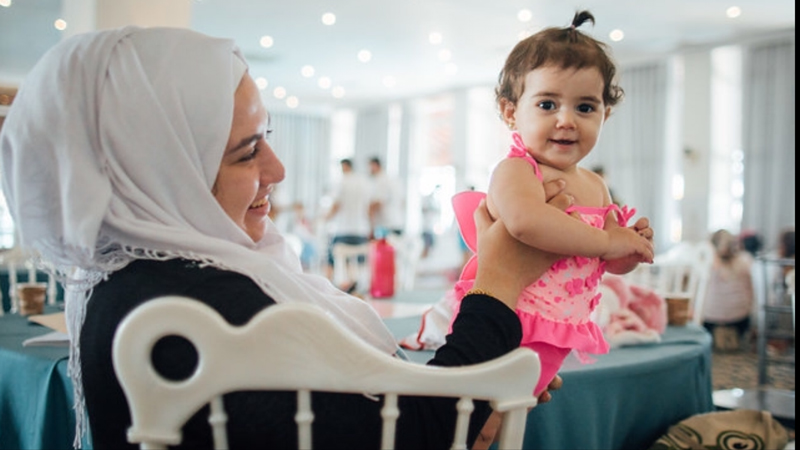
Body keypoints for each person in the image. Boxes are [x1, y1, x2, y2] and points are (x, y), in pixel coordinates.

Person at [0, 26, 565, 450]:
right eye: (246, 151)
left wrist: (474, 396)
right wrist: (498, 281)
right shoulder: (198, 309)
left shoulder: (133, 280)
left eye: (264, 136)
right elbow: (409, 436)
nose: (278, 170)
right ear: (157, 168)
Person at [449, 10, 654, 396]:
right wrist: (609, 242)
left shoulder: (596, 185)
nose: (566, 120)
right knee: (480, 414)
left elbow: (604, 261)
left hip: (559, 326)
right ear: (511, 113)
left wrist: (629, 249)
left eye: (585, 107)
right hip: (507, 315)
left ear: (605, 115)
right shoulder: (517, 172)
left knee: (514, 409)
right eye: (547, 105)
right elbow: (527, 223)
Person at [701, 229, 755, 350]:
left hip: (711, 320)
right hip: (740, 319)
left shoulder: (707, 263)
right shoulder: (746, 261)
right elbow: (751, 291)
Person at [323, 158, 372, 286]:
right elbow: (369, 207)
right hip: (361, 231)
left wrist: (325, 218)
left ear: (344, 167)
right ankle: (354, 282)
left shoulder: (342, 182)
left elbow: (336, 205)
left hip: (343, 230)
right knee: (356, 259)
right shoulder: (364, 182)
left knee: (331, 255)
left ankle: (327, 284)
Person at [367, 156, 405, 237]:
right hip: (397, 223)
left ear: (375, 165)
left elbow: (377, 204)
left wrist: (371, 227)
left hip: (386, 226)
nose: (368, 170)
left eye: (369, 166)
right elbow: (403, 202)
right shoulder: (393, 179)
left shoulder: (381, 180)